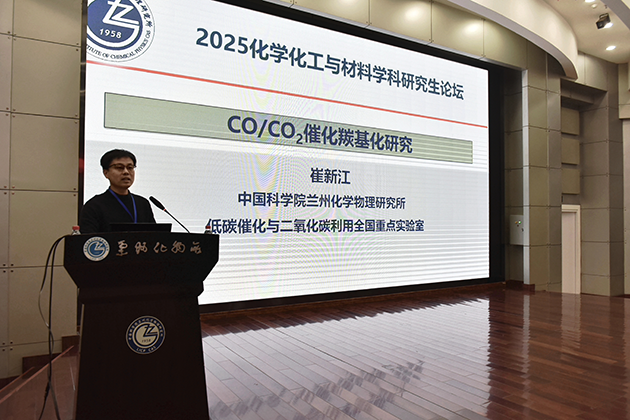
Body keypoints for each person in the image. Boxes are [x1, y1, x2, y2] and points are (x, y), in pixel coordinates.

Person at [79, 149, 156, 233]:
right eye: (119, 167)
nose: (126, 172)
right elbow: (89, 239)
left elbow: (154, 235)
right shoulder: (94, 206)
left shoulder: (143, 203)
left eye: (130, 168)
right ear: (106, 173)